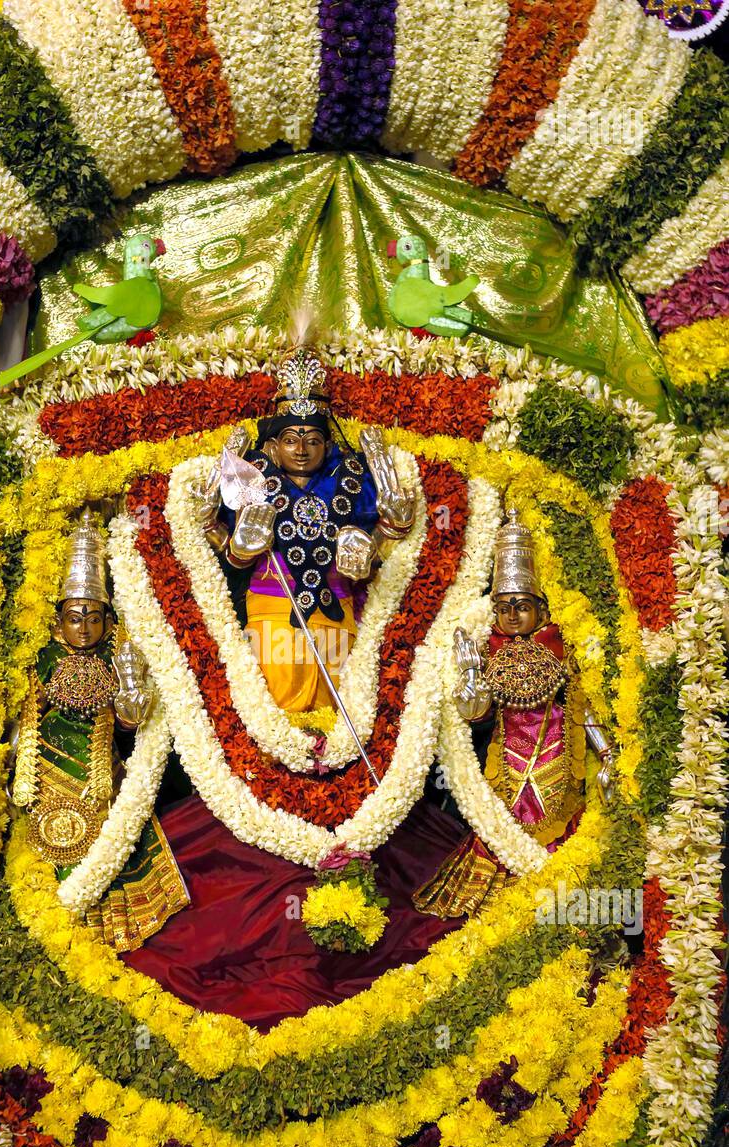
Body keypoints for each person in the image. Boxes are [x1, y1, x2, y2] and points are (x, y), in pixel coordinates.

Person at [192, 345, 416, 714]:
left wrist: (378, 540)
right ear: (273, 446)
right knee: (278, 700)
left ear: (327, 445)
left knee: (339, 703)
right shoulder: (251, 482)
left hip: (336, 607)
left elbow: (378, 545)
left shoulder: (353, 479)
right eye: (291, 440)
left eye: (312, 441)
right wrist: (237, 546)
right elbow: (225, 548)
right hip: (273, 607)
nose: (301, 450)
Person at [414, 509, 614, 919]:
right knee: (503, 826)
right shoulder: (487, 649)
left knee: (562, 827)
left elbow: (584, 706)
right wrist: (471, 672)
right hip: (506, 754)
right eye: (504, 606)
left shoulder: (561, 645)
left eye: (522, 605)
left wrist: (607, 753)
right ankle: (506, 904)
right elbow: (474, 714)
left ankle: (559, 902)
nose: (511, 615)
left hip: (556, 748)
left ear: (542, 609)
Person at [10, 509, 189, 951]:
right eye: (75, 616)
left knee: (110, 862)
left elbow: (131, 724)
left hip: (101, 785)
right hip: (42, 785)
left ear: (108, 622)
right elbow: (29, 716)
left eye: (94, 617)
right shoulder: (37, 663)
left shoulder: (120, 658)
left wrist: (130, 693)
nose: (84, 626)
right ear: (57, 623)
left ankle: (106, 945)